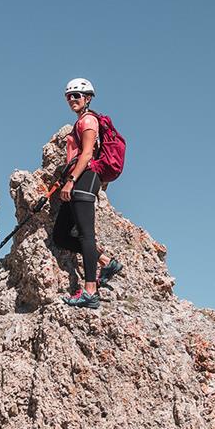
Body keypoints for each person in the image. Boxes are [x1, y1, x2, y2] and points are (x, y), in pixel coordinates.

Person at [51, 77, 120, 306]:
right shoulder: (81, 121)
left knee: (85, 234)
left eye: (77, 95)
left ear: (87, 98)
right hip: (78, 178)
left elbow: (87, 154)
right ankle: (105, 261)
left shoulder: (88, 120)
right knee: (61, 235)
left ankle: (90, 291)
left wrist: (71, 181)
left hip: (85, 178)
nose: (72, 99)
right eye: (68, 96)